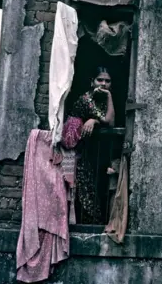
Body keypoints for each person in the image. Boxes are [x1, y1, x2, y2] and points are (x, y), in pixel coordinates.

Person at [64, 66, 116, 224]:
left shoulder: (101, 99)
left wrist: (94, 119)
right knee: (83, 190)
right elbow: (108, 121)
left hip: (88, 151)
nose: (103, 84)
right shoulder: (87, 99)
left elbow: (111, 122)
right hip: (74, 152)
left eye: (107, 81)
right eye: (99, 79)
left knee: (93, 186)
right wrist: (96, 119)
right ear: (92, 82)